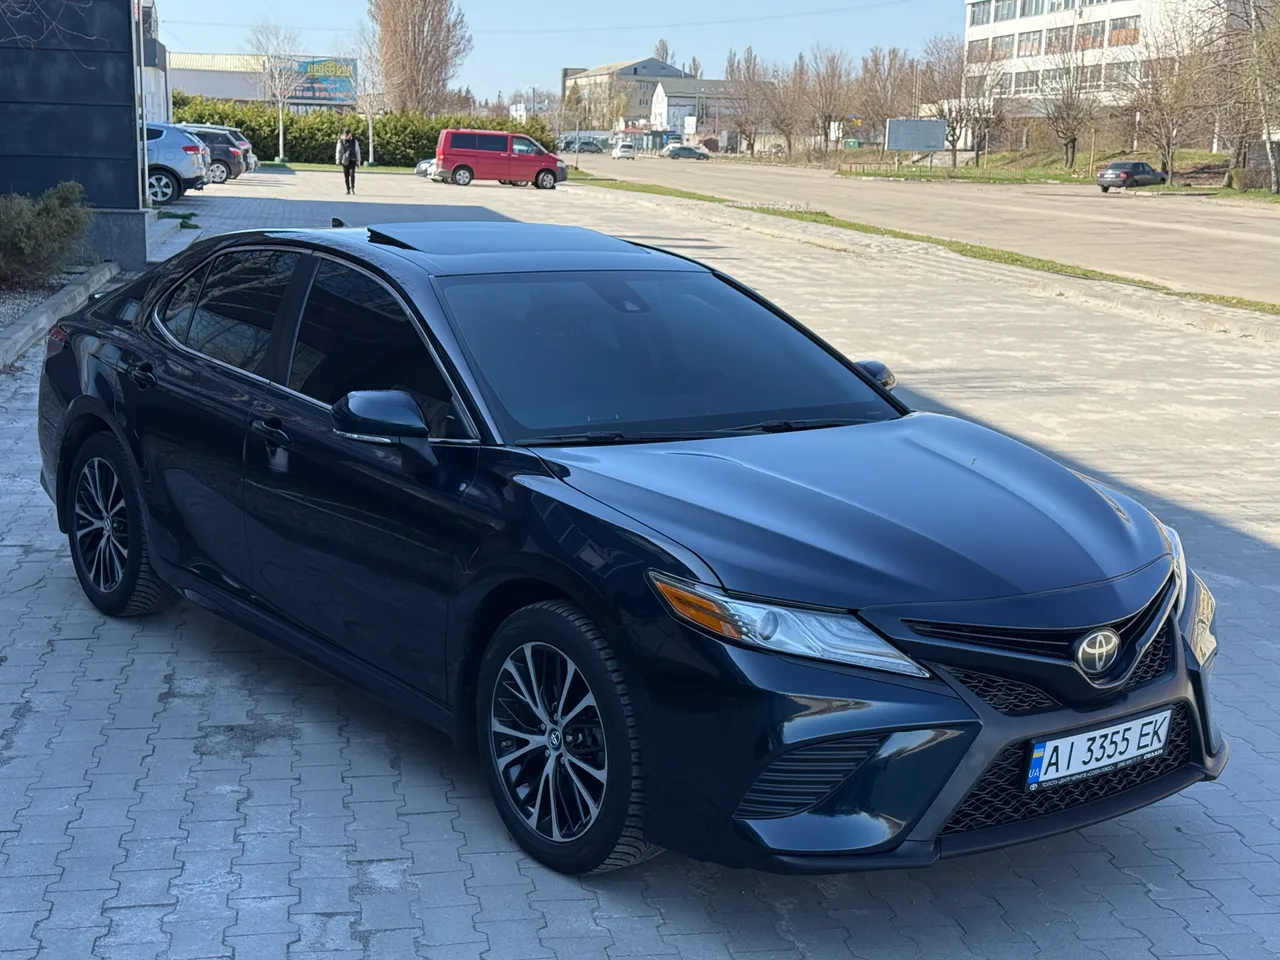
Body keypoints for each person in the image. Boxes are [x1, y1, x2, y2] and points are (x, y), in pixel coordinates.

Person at [336, 130, 361, 194]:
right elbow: (338, 151)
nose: (346, 136)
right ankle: (348, 189)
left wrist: (358, 161)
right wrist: (338, 159)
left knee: (352, 174)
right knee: (346, 176)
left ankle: (352, 188)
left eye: (347, 134)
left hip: (353, 159)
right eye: (345, 135)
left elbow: (357, 151)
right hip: (345, 160)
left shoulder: (354, 141)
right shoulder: (341, 141)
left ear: (350, 134)